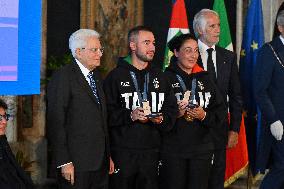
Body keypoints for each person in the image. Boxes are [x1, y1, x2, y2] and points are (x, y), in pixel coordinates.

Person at [103, 25, 177, 189]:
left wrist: (162, 118)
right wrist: (131, 115)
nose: (152, 47)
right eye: (146, 42)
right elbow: (104, 115)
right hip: (122, 152)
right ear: (133, 45)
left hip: (153, 153)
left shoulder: (161, 77)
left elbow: (172, 110)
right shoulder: (115, 77)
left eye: (153, 43)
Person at [47, 29, 113, 189]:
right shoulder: (63, 77)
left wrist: (108, 155)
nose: (100, 54)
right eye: (94, 50)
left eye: (100, 49)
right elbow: (56, 121)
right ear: (78, 52)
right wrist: (64, 161)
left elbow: (101, 119)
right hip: (76, 164)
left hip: (100, 163)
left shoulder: (96, 76)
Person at [159, 34, 226, 189]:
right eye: (188, 50)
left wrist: (204, 115)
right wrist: (175, 114)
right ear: (176, 52)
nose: (193, 55)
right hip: (174, 150)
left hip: (202, 150)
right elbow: (156, 114)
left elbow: (220, 110)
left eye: (196, 50)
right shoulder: (164, 79)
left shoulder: (205, 78)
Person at [193, 9, 243, 189]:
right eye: (212, 26)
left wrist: (234, 129)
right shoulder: (188, 55)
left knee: (216, 180)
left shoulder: (228, 57)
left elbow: (236, 96)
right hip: (193, 132)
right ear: (200, 30)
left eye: (218, 26)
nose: (218, 30)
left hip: (220, 130)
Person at [254, 10, 284, 189]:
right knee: (281, 167)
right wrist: (273, 120)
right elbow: (260, 90)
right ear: (280, 27)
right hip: (279, 121)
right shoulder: (269, 50)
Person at [0, 99, 34, 189]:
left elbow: (16, 173)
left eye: (5, 117)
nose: (4, 122)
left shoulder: (2, 142)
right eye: (0, 118)